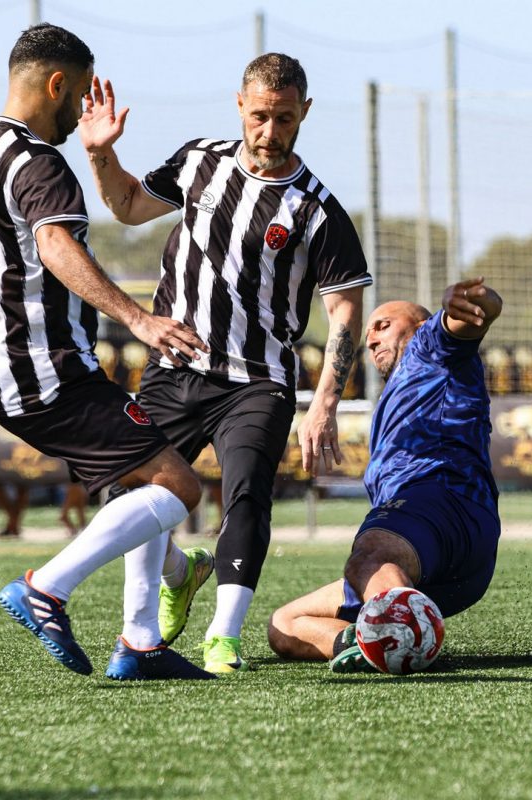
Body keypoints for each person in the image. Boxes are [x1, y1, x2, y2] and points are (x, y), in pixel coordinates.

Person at [0, 23, 215, 680]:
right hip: (52, 372)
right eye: (79, 96)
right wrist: (139, 319)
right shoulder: (39, 162)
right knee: (177, 485)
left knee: (144, 475)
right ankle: (45, 589)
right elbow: (55, 247)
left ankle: (143, 638)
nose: (80, 111)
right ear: (56, 85)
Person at [78, 53, 370, 673]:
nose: (270, 131)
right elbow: (127, 205)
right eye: (259, 116)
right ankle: (180, 573)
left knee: (247, 499)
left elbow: (345, 310)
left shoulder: (317, 209)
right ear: (239, 105)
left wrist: (324, 401)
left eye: (284, 118)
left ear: (305, 113)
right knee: (130, 494)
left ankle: (223, 637)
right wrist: (101, 154)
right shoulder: (198, 161)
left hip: (258, 382)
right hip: (175, 365)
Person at [267, 277, 502, 671]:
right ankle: (363, 645)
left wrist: (474, 303)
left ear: (421, 324)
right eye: (369, 333)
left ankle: (404, 643)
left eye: (383, 325)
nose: (372, 338)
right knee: (286, 625)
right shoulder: (403, 388)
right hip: (446, 565)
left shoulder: (429, 348)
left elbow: (471, 320)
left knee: (370, 556)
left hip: (443, 505)